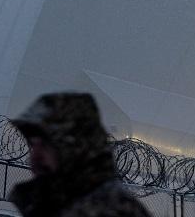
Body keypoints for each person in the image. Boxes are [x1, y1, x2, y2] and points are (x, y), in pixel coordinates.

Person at [8, 92, 152, 217]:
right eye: (33, 144)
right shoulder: (50, 204)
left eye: (46, 145)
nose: (35, 157)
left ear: (75, 147)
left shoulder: (111, 209)